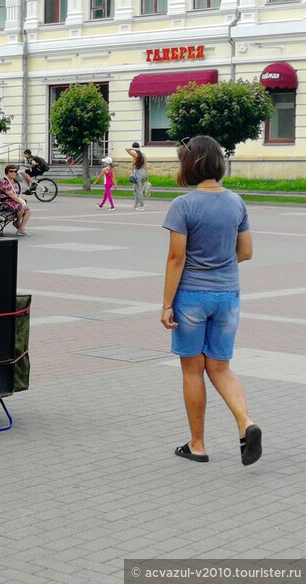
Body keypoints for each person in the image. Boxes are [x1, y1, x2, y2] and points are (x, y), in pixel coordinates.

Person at [161, 135, 261, 466]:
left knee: (193, 370)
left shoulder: (183, 205)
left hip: (191, 297)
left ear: (190, 164)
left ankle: (198, 445)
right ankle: (246, 423)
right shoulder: (236, 202)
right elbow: (245, 253)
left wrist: (165, 305)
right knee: (220, 367)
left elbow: (177, 258)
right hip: (228, 296)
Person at [0, 164, 32, 236]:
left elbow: (15, 194)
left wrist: (21, 197)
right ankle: (17, 223)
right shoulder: (4, 182)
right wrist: (21, 202)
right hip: (3, 203)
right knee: (22, 207)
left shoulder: (14, 181)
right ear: (7, 172)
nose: (14, 173)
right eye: (11, 171)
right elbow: (11, 195)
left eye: (15, 171)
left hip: (11, 201)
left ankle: (20, 228)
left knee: (28, 210)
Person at [126, 142, 149, 211]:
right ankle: (137, 203)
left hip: (138, 172)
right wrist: (147, 175)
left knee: (139, 190)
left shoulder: (136, 155)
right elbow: (145, 165)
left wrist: (133, 148)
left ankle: (142, 205)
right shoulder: (143, 155)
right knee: (136, 189)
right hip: (144, 172)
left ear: (134, 148)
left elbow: (127, 149)